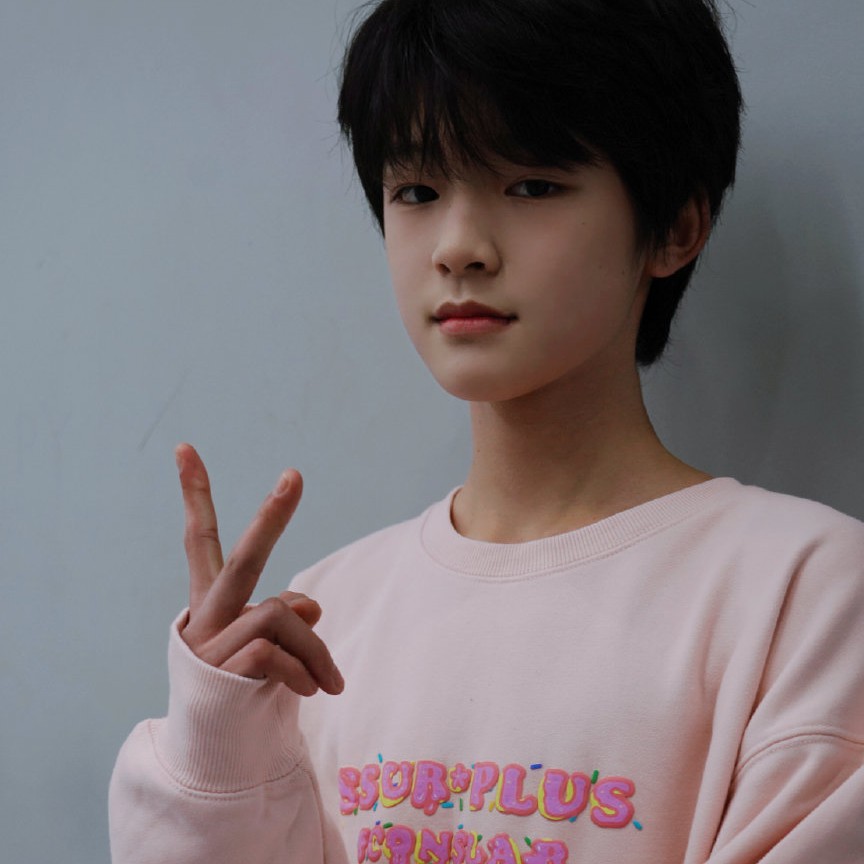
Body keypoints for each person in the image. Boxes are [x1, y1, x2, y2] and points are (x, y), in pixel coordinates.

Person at [109, 0, 864, 861]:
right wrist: (213, 753)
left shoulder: (806, 594)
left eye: (532, 185)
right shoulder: (323, 619)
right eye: (417, 192)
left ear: (676, 228)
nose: (458, 247)